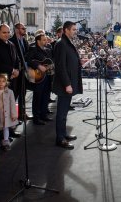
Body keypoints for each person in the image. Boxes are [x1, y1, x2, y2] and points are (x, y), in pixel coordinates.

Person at [53, 21, 83, 150]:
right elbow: (60, 67)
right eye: (73, 29)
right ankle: (60, 139)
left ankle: (64, 134)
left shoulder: (67, 42)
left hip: (69, 83)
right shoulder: (61, 44)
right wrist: (67, 84)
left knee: (64, 113)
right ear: (66, 30)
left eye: (76, 29)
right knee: (61, 113)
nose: (75, 32)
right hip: (65, 85)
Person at [25, 33, 54, 125]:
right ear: (38, 41)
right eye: (44, 40)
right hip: (38, 77)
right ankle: (36, 118)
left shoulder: (48, 50)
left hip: (47, 76)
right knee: (37, 97)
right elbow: (28, 60)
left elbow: (51, 62)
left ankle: (43, 115)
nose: (46, 41)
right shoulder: (33, 49)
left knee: (45, 96)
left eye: (46, 39)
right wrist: (38, 65)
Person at [0, 73, 18, 154]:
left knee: (6, 128)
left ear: (6, 82)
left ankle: (6, 142)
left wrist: (14, 114)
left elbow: (13, 104)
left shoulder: (10, 92)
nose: (1, 83)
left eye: (3, 81)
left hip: (7, 115)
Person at [9, 23, 31, 120]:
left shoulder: (25, 41)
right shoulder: (11, 41)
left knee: (23, 93)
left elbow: (28, 54)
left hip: (24, 72)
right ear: (17, 30)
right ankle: (12, 116)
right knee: (14, 94)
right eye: (23, 28)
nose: (25, 30)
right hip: (16, 72)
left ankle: (22, 114)